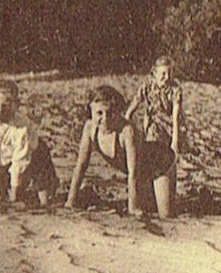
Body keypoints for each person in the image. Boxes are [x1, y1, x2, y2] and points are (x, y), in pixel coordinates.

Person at [66, 84, 176, 217]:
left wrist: (132, 208)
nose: (105, 119)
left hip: (160, 163)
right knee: (149, 208)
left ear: (119, 113)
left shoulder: (127, 132)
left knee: (165, 215)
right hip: (142, 172)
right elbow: (81, 165)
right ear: (91, 112)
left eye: (111, 113)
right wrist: (70, 201)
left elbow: (133, 172)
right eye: (99, 113)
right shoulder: (90, 128)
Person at [0, 78, 58, 206]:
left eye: (5, 105)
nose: (0, 111)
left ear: (16, 105)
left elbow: (20, 160)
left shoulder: (21, 126)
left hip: (30, 153)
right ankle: (1, 191)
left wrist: (14, 197)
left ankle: (44, 201)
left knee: (40, 170)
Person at [127, 55, 186, 215]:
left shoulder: (175, 90)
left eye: (170, 73)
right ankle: (153, 198)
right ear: (154, 73)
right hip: (154, 127)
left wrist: (175, 139)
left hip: (171, 128)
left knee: (170, 162)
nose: (167, 78)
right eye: (163, 74)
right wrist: (126, 119)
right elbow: (135, 103)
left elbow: (175, 116)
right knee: (153, 158)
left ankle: (168, 197)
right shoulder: (148, 86)